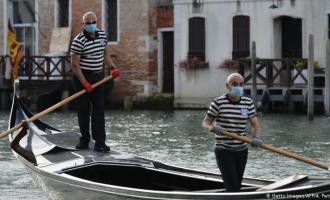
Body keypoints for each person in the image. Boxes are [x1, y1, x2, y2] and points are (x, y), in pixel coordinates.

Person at [202, 73, 262, 192]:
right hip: (224, 151)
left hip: (242, 151)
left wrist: (255, 137)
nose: (238, 87)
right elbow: (205, 123)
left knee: (236, 186)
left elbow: (255, 124)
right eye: (234, 84)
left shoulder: (248, 103)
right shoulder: (218, 103)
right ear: (227, 86)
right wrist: (213, 128)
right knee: (233, 188)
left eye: (241, 84)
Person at [70, 11, 120, 152]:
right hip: (81, 77)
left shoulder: (102, 35)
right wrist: (84, 82)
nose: (91, 25)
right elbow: (74, 65)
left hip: (98, 76)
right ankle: (85, 140)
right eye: (88, 23)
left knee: (99, 109)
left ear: (96, 22)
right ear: (83, 24)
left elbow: (105, 53)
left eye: (93, 22)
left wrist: (112, 67)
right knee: (84, 110)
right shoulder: (78, 41)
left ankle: (100, 143)